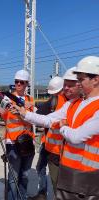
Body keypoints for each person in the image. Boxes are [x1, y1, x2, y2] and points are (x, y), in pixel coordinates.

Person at [10, 56, 99, 200]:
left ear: (95, 79)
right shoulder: (73, 104)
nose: (67, 88)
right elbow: (47, 120)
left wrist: (63, 127)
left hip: (89, 176)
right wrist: (24, 113)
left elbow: (76, 137)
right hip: (68, 168)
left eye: (80, 80)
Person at [1, 69, 35, 200]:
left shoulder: (30, 100)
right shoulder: (7, 98)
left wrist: (20, 113)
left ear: (27, 84)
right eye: (16, 82)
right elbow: (0, 114)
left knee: (25, 176)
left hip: (27, 142)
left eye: (22, 82)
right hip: (13, 143)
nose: (19, 84)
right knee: (13, 178)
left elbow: (33, 119)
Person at [31, 76, 64, 200]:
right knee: (41, 167)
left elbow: (39, 115)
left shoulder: (56, 101)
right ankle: (43, 194)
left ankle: (43, 194)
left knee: (52, 175)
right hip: (52, 144)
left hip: (54, 147)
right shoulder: (68, 103)